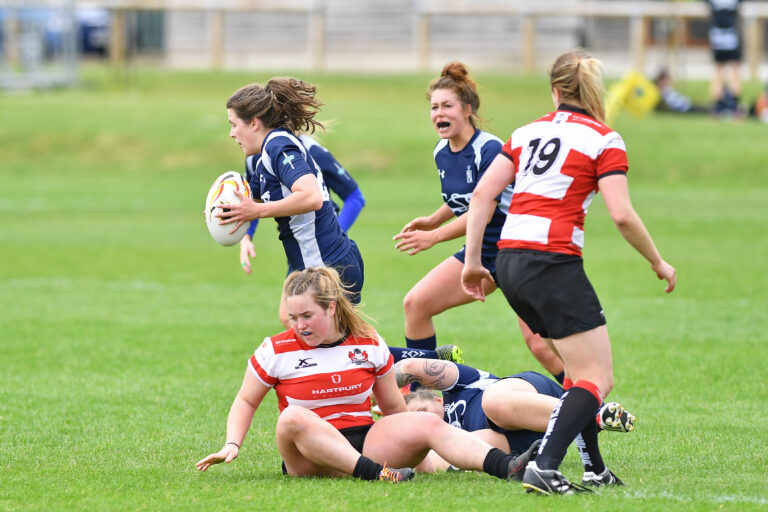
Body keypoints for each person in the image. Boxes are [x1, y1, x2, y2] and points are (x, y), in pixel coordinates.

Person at [461, 50, 676, 494]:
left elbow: (482, 195)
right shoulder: (604, 138)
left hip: (510, 263)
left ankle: (594, 468)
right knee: (598, 379)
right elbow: (621, 215)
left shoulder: (525, 133)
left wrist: (472, 262)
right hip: (552, 262)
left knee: (577, 375)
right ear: (595, 92)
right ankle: (545, 465)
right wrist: (657, 261)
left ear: (555, 92)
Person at [196, 267, 540, 483]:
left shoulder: (367, 343)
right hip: (308, 455)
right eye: (293, 317)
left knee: (428, 422)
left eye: (307, 315)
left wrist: (420, 444)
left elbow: (392, 408)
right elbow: (245, 400)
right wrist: (231, 444)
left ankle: (508, 467)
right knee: (292, 417)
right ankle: (375, 475)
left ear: (331, 308)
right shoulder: (274, 350)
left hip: (368, 441)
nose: (299, 325)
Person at [393, 61, 564, 381]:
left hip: (517, 251)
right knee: (415, 304)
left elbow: (484, 208)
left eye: (447, 106)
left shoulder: (490, 148)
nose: (439, 113)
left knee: (540, 344)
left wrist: (435, 237)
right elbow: (464, 199)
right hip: (482, 251)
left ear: (467, 109)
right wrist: (433, 219)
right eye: (434, 107)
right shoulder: (441, 151)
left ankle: (583, 404)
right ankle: (425, 399)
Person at [218, 78, 365, 325]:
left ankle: (426, 362)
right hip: (314, 262)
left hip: (327, 264)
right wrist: (223, 212)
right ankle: (425, 360)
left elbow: (311, 196)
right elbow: (250, 200)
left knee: (344, 353)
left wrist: (256, 210)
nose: (232, 133)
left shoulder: (279, 147)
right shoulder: (265, 154)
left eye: (234, 125)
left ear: (254, 123)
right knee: (305, 331)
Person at [395, 357, 634, 484]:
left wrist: (381, 384)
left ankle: (591, 414)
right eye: (415, 419)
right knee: (467, 446)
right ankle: (586, 417)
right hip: (524, 441)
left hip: (523, 397)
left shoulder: (455, 388)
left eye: (421, 410)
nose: (422, 419)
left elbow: (410, 366)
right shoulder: (444, 438)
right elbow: (423, 464)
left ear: (437, 401)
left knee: (494, 405)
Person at [239, 133, 366, 276]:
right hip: (297, 247)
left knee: (306, 297)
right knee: (291, 298)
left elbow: (355, 198)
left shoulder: (312, 151)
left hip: (326, 253)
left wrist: (332, 237)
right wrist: (246, 237)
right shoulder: (255, 157)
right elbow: (251, 202)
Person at [705, 0, 743, 116]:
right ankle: (734, 106)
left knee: (718, 71)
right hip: (731, 34)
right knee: (734, 71)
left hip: (717, 35)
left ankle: (717, 107)